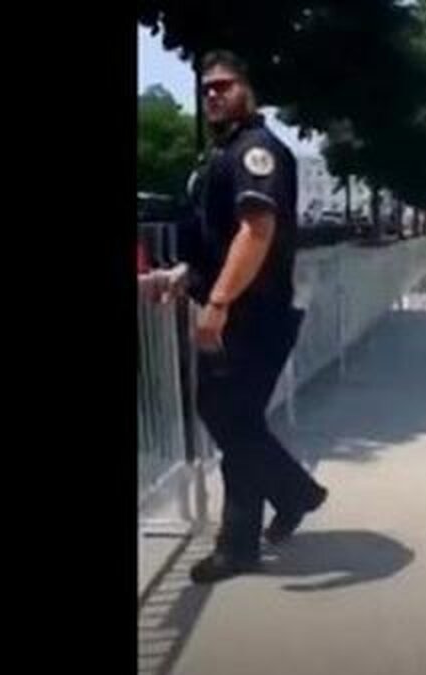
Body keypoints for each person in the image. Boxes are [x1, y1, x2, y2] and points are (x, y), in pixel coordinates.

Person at [157, 50, 328, 584]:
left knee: (227, 415)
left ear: (249, 90)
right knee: (233, 418)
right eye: (206, 88)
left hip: (254, 313)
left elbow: (256, 232)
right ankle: (290, 497)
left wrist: (220, 302)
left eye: (224, 85)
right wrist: (188, 273)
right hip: (241, 308)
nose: (212, 94)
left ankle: (246, 538)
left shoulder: (257, 151)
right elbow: (218, 235)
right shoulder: (223, 154)